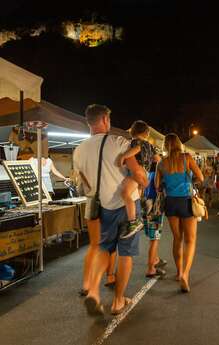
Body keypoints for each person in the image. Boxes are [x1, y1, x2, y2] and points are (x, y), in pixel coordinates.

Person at [74, 104, 148, 316]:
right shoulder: (119, 142)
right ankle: (117, 301)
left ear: (89, 122)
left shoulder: (79, 151)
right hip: (127, 207)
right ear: (105, 119)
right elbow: (140, 176)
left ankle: (94, 293)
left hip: (103, 207)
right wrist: (140, 180)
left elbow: (87, 187)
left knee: (104, 249)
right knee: (125, 254)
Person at [155, 134, 204, 293]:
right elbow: (200, 177)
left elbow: (157, 186)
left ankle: (178, 271)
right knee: (190, 240)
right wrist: (190, 182)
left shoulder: (161, 163)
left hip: (171, 203)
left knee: (177, 238)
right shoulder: (187, 158)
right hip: (186, 201)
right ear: (179, 144)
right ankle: (185, 274)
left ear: (165, 146)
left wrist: (167, 182)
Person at [117, 120, 154, 239]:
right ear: (146, 132)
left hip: (137, 171)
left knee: (125, 193)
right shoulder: (149, 145)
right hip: (146, 172)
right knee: (136, 195)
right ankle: (143, 208)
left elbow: (136, 149)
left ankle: (133, 222)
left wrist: (124, 156)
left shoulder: (136, 142)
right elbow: (157, 159)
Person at [144, 148, 167, 278]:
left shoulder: (146, 173)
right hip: (155, 209)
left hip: (146, 207)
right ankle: (151, 268)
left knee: (152, 238)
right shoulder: (157, 176)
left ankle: (156, 259)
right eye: (159, 157)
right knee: (155, 239)